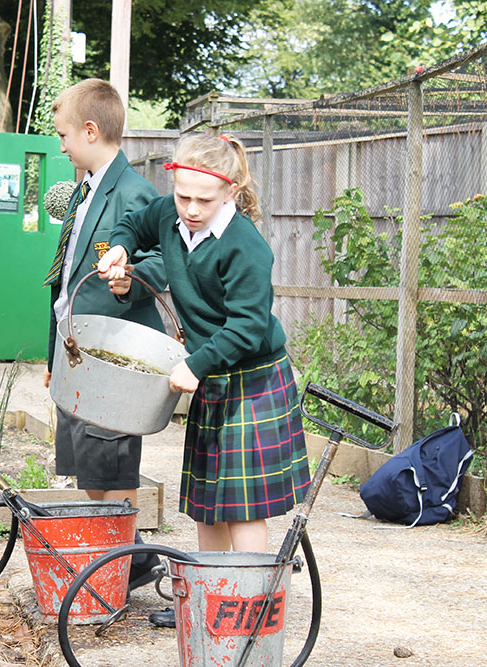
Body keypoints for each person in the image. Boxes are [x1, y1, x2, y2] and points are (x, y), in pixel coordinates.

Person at [98, 132, 311, 626]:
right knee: (207, 502)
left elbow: (248, 326)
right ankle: (205, 600)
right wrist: (119, 250)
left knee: (243, 506)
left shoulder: (245, 248)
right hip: (214, 375)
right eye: (183, 196)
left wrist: (194, 364)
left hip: (253, 378)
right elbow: (133, 223)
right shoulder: (171, 218)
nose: (191, 209)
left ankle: (250, 607)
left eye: (204, 199)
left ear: (231, 191)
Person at [42, 78, 167, 592]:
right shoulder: (86, 188)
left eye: (64, 135)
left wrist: (128, 282)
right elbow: (66, 273)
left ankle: (131, 559)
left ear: (90, 131)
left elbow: (163, 260)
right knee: (88, 461)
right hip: (78, 350)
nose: (62, 144)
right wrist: (53, 348)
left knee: (112, 460)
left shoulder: (134, 191)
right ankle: (115, 555)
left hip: (112, 351)